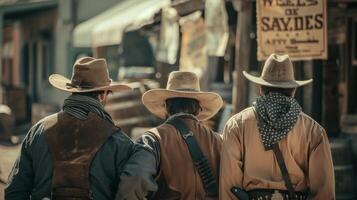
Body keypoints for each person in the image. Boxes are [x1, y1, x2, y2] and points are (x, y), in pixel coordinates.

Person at [5, 57, 157, 200]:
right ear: (103, 95)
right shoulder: (119, 142)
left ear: (72, 91)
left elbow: (15, 191)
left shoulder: (38, 132)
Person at [219, 54, 335, 200]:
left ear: (261, 88)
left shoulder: (236, 125)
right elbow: (324, 192)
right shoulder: (314, 130)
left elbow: (230, 187)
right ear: (293, 90)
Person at [135, 71, 223, 199]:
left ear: (166, 107)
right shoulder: (218, 142)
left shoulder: (152, 139)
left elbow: (133, 184)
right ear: (199, 108)